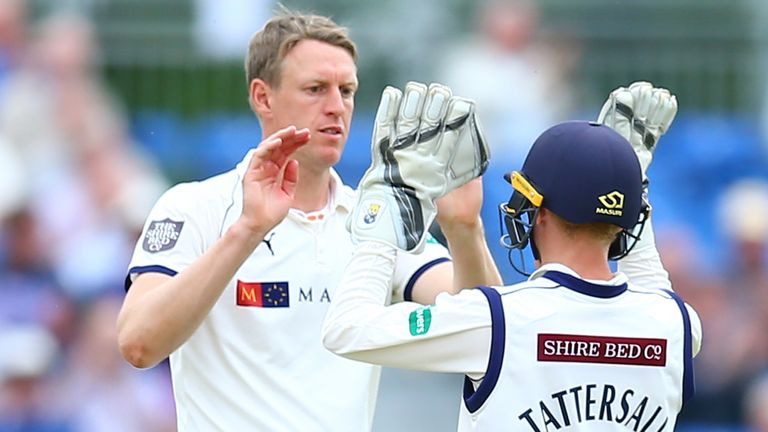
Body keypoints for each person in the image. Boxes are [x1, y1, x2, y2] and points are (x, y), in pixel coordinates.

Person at [116, 8, 501, 431]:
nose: (337, 107)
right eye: (316, 89)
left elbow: (484, 327)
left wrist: (465, 229)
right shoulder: (194, 206)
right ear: (263, 97)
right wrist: (248, 230)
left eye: (347, 90)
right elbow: (139, 344)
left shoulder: (373, 222)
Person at [322, 82, 703, 430]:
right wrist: (625, 175)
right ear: (627, 222)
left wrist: (390, 201)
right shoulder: (680, 326)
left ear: (541, 214)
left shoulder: (496, 320)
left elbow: (347, 330)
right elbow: (651, 284)